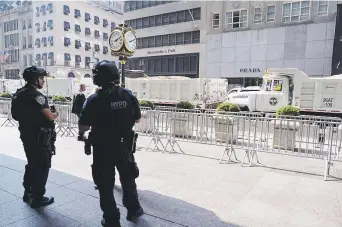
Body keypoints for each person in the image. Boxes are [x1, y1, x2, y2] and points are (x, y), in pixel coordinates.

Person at [78, 60, 143, 227]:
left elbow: (84, 125)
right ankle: (134, 210)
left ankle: (111, 219)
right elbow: (137, 119)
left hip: (103, 148)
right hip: (124, 146)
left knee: (105, 184)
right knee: (128, 178)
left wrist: (82, 133)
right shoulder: (128, 95)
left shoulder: (93, 100)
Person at [11, 66, 58, 208]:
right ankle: (37, 197)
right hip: (40, 137)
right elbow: (50, 117)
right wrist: (55, 113)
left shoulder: (19, 93)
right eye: (41, 78)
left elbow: (16, 115)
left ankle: (28, 192)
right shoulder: (37, 96)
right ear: (34, 79)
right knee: (42, 166)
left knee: (32, 163)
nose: (43, 81)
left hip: (26, 135)